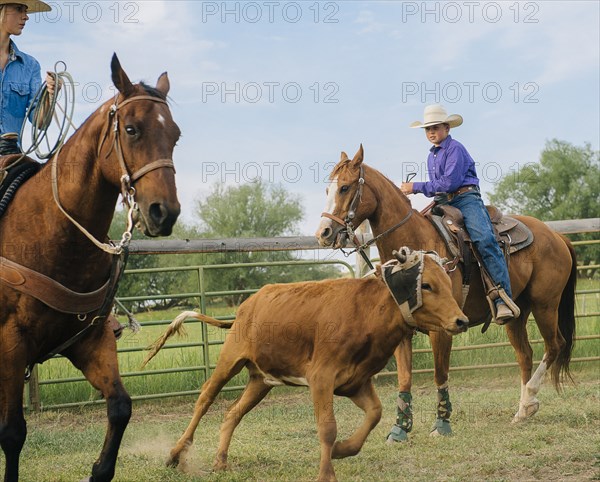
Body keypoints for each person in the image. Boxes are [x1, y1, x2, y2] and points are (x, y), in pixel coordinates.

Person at [401, 104, 520, 323]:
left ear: (447, 127)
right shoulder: (432, 156)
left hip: (466, 198)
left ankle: (502, 297)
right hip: (445, 200)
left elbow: (449, 182)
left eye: (435, 127)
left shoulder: (455, 148)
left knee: (484, 239)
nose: (431, 133)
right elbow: (440, 188)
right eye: (427, 129)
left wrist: (415, 186)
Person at [0, 0, 56, 155]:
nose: (26, 17)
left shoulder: (30, 65)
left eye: (25, 11)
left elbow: (40, 123)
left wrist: (50, 95)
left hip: (11, 158)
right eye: (19, 9)